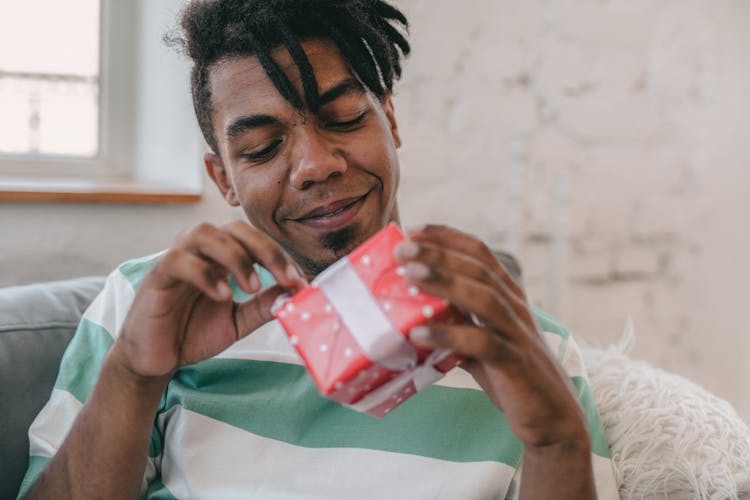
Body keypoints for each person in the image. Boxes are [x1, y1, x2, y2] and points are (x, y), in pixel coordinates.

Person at [19, 1, 618, 498]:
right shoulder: (145, 308)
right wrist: (133, 375)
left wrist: (556, 441)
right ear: (223, 178)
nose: (315, 164)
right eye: (260, 148)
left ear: (389, 117)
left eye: (343, 117)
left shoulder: (529, 352)